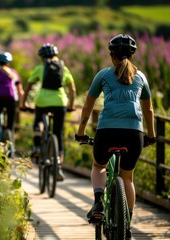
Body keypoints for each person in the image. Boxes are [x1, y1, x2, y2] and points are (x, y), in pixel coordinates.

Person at [75, 34, 156, 238]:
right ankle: (126, 224)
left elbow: (87, 106)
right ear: (132, 55)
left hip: (107, 132)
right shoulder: (141, 77)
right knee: (127, 177)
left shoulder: (103, 75)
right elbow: (149, 111)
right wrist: (151, 135)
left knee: (98, 165)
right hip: (134, 133)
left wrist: (81, 132)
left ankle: (98, 201)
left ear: (112, 55)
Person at [20, 43, 76, 181]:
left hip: (42, 101)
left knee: (39, 120)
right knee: (58, 133)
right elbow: (72, 89)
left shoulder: (40, 68)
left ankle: (38, 142)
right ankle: (58, 165)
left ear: (41, 57)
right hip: (60, 102)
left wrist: (23, 103)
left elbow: (28, 87)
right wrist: (71, 105)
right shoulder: (64, 68)